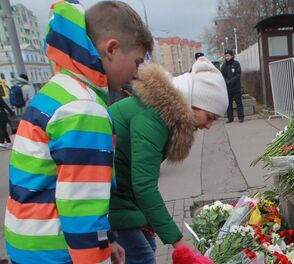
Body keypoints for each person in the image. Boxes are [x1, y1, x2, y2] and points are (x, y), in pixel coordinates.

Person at [4, 1, 153, 263]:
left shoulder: (59, 91)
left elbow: (63, 186)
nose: (136, 73)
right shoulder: (84, 108)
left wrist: (108, 239)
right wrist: (98, 254)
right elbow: (83, 210)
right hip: (56, 252)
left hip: (30, 244)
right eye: (137, 61)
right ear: (112, 49)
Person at [109, 58, 227, 263]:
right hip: (110, 196)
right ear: (193, 104)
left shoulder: (163, 113)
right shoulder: (153, 117)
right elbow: (144, 186)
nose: (209, 126)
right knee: (142, 256)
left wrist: (149, 220)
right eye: (209, 117)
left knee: (148, 246)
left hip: (120, 192)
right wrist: (178, 240)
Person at [220, 49, 244, 123]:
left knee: (239, 102)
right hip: (227, 88)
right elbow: (222, 75)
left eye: (228, 56)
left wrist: (231, 81)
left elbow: (238, 74)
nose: (227, 57)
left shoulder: (236, 64)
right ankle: (230, 118)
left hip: (236, 87)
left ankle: (241, 117)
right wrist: (226, 81)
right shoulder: (223, 66)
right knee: (229, 104)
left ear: (232, 56)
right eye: (226, 56)